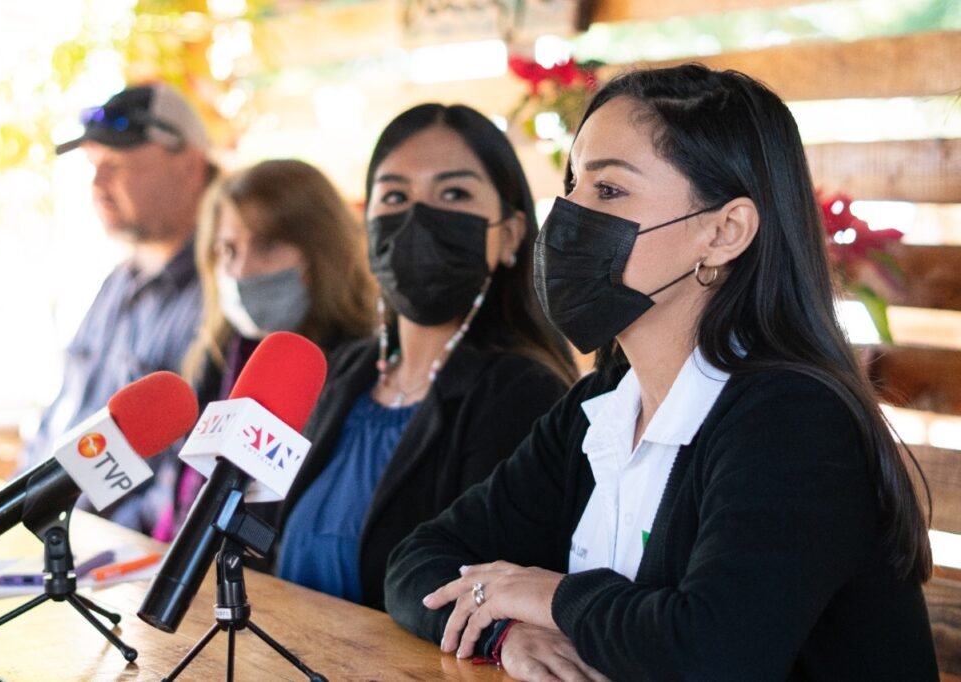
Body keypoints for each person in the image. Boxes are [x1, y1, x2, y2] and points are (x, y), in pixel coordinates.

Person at [385, 64, 938, 680]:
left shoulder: (794, 420)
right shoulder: (603, 406)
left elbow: (713, 652)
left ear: (724, 233)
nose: (567, 217)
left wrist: (548, 596)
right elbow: (419, 562)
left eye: (609, 191)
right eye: (571, 185)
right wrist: (505, 631)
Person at [260, 103, 578, 611]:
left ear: (512, 233)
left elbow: (474, 593)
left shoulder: (521, 393)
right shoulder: (342, 370)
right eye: (394, 195)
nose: (417, 217)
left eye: (453, 193)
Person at [20, 83, 214, 533]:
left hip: (116, 567)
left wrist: (85, 540)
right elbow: (61, 419)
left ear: (189, 167)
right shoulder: (118, 282)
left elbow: (182, 483)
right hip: (53, 541)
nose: (97, 185)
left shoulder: (219, 301)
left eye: (115, 165)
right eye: (92, 166)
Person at [151, 159, 377, 541]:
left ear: (322, 252)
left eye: (267, 246)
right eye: (228, 250)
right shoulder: (219, 356)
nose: (241, 270)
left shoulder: (359, 373)